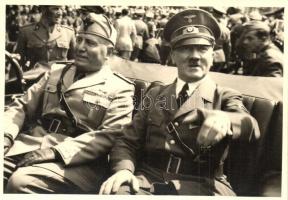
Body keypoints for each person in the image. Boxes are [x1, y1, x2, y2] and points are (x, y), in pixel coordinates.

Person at [99, 8, 260, 196]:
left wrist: (225, 119)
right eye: (185, 48)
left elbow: (251, 126)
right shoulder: (155, 94)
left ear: (212, 55)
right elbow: (128, 141)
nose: (195, 56)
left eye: (202, 48)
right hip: (148, 182)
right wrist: (124, 170)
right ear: (173, 55)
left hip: (204, 184)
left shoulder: (224, 96)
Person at [4, 13, 135, 193]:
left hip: (77, 162)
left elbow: (110, 135)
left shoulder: (119, 87)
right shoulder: (57, 71)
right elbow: (22, 105)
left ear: (109, 52)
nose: (80, 47)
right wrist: (6, 135)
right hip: (29, 146)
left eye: (90, 43)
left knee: (20, 182)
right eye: (79, 40)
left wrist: (57, 152)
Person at [15, 5, 76, 70]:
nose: (60, 13)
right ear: (43, 9)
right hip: (35, 78)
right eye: (56, 8)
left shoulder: (68, 33)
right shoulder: (26, 32)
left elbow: (74, 62)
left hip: (60, 78)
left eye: (62, 9)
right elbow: (17, 62)